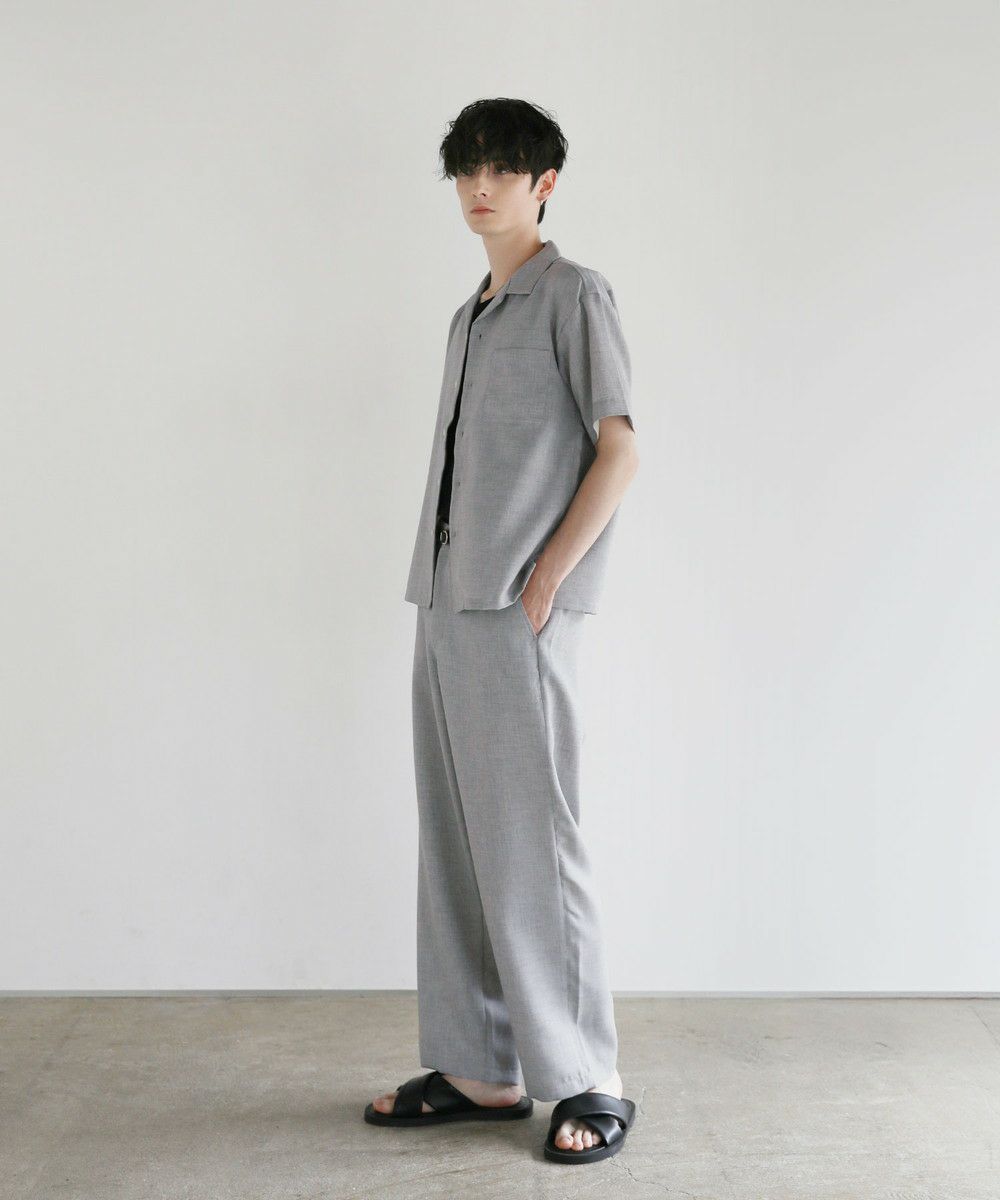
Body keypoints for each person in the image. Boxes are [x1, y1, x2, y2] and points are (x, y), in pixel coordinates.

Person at [364, 98, 640, 1165]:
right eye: (467, 169)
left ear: (544, 184)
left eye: (503, 169)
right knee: (456, 844)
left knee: (535, 844)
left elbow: (619, 449)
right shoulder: (469, 313)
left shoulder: (574, 295)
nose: (481, 187)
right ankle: (482, 1067)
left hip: (518, 610)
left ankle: (588, 1078)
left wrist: (549, 578)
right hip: (445, 603)